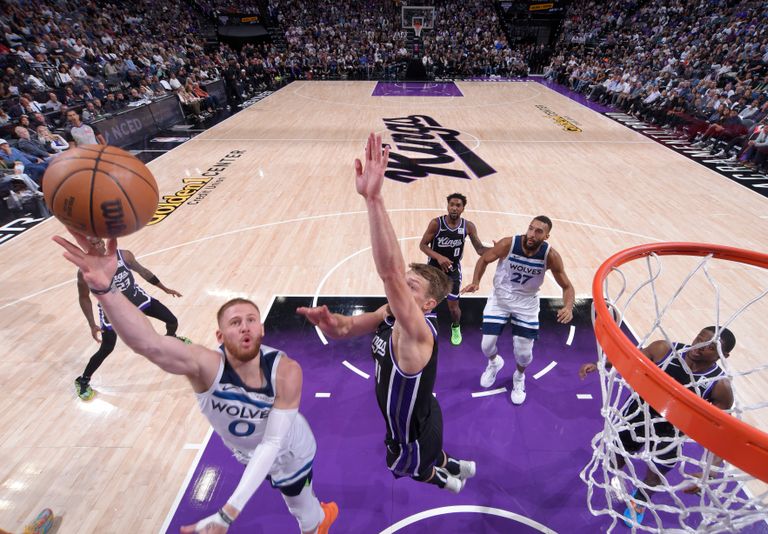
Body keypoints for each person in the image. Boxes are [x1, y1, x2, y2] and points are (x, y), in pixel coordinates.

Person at [54, 233, 339, 534]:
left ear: (262, 330)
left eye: (251, 320)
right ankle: (316, 511)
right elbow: (148, 344)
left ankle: (318, 520)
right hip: (251, 452)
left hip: (289, 454)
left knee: (301, 511)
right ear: (219, 337)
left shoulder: (286, 371)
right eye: (234, 322)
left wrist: (227, 515)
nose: (244, 326)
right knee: (282, 486)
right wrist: (104, 289)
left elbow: (272, 444)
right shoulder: (204, 366)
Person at [298, 133, 476, 494]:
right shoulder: (390, 314)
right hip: (428, 410)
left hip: (406, 428)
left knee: (413, 470)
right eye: (405, 282)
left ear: (428, 305)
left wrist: (374, 199)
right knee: (434, 449)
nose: (400, 289)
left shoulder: (418, 332)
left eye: (411, 288)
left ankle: (443, 479)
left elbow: (390, 272)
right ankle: (448, 462)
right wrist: (334, 325)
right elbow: (349, 329)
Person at [579, 326, 735, 527]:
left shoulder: (719, 386)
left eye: (710, 347)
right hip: (636, 417)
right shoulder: (664, 349)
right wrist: (599, 364)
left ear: (724, 355)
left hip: (670, 434)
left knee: (654, 476)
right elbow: (631, 358)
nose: (700, 346)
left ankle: (640, 501)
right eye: (699, 339)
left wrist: (710, 471)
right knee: (614, 461)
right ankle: (621, 472)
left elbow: (722, 431)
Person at [462, 216, 575, 405]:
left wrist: (569, 306)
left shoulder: (551, 256)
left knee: (523, 354)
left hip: (526, 304)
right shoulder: (508, 244)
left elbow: (567, 286)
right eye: (531, 228)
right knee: (486, 346)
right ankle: (494, 363)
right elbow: (484, 259)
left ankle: (519, 377)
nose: (532, 234)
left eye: (538, 231)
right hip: (500, 299)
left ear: (546, 236)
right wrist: (476, 281)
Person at [74, 237, 184, 401]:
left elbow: (144, 271)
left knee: (172, 320)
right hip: (112, 311)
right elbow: (83, 297)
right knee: (106, 348)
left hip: (137, 300)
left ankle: (171, 339)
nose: (99, 245)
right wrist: (91, 324)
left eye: (99, 241)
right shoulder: (85, 271)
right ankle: (83, 380)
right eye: (93, 244)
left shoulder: (124, 256)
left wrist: (165, 288)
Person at [419, 193, 489, 345]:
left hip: (453, 271)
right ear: (447, 206)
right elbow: (423, 245)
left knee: (453, 307)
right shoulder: (436, 223)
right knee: (427, 302)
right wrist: (439, 257)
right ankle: (422, 328)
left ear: (463, 208)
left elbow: (480, 249)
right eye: (452, 204)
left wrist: (497, 249)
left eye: (458, 205)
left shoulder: (468, 226)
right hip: (433, 270)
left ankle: (455, 326)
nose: (454, 208)